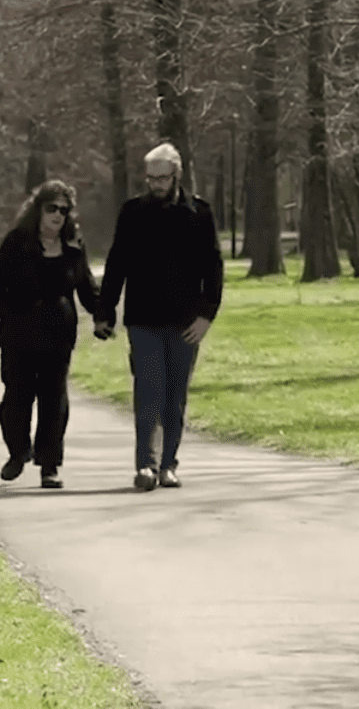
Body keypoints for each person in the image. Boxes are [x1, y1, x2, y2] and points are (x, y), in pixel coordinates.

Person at [94, 143, 223, 491]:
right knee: (148, 391)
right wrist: (104, 312)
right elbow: (117, 263)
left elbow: (213, 268)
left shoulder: (198, 213)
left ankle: (169, 464)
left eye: (162, 178)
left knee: (175, 396)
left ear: (177, 175)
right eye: (150, 178)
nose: (156, 185)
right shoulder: (133, 212)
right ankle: (145, 466)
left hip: (185, 321)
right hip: (144, 318)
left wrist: (206, 315)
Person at [0, 180, 99, 489]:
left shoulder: (73, 245)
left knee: (54, 400)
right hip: (19, 331)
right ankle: (18, 452)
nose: (57, 215)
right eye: (51, 209)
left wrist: (102, 316)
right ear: (38, 210)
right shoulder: (17, 243)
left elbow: (86, 286)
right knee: (17, 396)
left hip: (58, 331)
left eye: (63, 210)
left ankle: (50, 465)